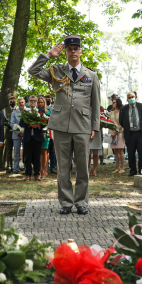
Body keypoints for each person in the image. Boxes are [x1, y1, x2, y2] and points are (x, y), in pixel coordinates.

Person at [28, 35, 101, 215]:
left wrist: (94, 128)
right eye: (69, 49)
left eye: (76, 49)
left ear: (80, 51)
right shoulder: (56, 71)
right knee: (63, 167)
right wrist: (48, 55)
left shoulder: (91, 75)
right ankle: (66, 202)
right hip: (61, 126)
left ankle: (82, 202)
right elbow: (33, 71)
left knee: (83, 167)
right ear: (66, 52)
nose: (73, 51)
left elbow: (96, 104)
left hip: (83, 126)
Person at [119, 92, 142, 176]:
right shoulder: (123, 109)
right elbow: (121, 121)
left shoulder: (141, 106)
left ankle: (141, 170)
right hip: (130, 134)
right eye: (129, 97)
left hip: (140, 133)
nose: (131, 98)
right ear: (127, 99)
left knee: (141, 153)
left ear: (136, 97)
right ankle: (133, 171)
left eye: (133, 97)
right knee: (131, 153)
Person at [19, 96, 45, 181]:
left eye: (34, 101)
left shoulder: (41, 111)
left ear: (37, 102)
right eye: (31, 101)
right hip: (28, 137)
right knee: (28, 157)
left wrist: (39, 125)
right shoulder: (25, 111)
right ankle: (28, 174)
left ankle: (37, 174)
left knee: (37, 157)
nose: (33, 102)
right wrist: (29, 124)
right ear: (28, 102)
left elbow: (45, 122)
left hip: (37, 137)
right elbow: (21, 123)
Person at [109, 98, 126, 173]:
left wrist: (117, 131)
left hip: (120, 132)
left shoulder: (122, 112)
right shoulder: (111, 113)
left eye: (114, 102)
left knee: (120, 151)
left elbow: (123, 123)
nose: (112, 103)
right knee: (115, 151)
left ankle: (122, 168)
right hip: (112, 133)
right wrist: (111, 133)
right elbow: (109, 122)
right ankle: (117, 168)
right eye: (112, 102)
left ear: (117, 103)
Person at [10, 97, 26, 174]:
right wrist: (19, 132)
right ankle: (16, 169)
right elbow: (12, 124)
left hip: (26, 135)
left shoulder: (28, 112)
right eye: (19, 103)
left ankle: (26, 167)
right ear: (18, 104)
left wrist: (24, 131)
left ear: (25, 103)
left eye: (22, 102)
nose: (21, 104)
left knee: (26, 152)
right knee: (16, 153)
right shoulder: (14, 113)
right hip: (16, 135)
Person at [38, 96, 51, 179]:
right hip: (37, 133)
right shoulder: (35, 111)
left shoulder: (48, 112)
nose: (40, 104)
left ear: (44, 103)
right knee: (38, 152)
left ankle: (44, 169)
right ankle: (39, 170)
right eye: (39, 102)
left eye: (41, 102)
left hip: (46, 133)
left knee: (45, 151)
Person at [2, 95, 16, 173]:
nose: (12, 101)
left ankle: (16, 166)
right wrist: (6, 124)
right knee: (9, 150)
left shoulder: (18, 109)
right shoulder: (4, 110)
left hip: (17, 132)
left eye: (13, 100)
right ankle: (9, 166)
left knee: (17, 150)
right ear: (8, 102)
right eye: (10, 100)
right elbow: (2, 120)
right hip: (9, 132)